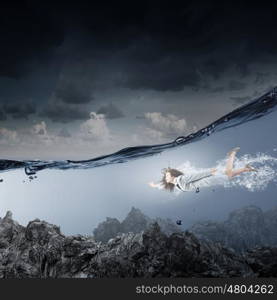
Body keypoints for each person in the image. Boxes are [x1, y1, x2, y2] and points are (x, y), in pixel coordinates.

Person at [148, 147, 257, 192]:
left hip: (208, 179)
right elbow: (164, 184)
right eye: (166, 176)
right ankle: (245, 168)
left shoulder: (180, 180)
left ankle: (232, 154)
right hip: (206, 181)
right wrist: (155, 185)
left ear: (172, 176)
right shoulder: (176, 185)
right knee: (227, 174)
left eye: (167, 175)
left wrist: (210, 171)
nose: (165, 177)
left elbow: (196, 175)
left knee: (227, 175)